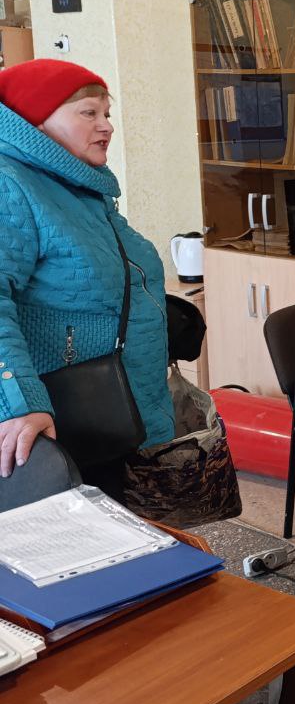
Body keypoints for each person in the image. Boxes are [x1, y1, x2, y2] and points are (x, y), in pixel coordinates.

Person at [0, 59, 173, 498]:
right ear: (37, 120)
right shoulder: (11, 184)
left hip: (111, 405)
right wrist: (21, 404)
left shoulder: (79, 185)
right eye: (88, 113)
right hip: (62, 414)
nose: (106, 126)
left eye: (107, 113)